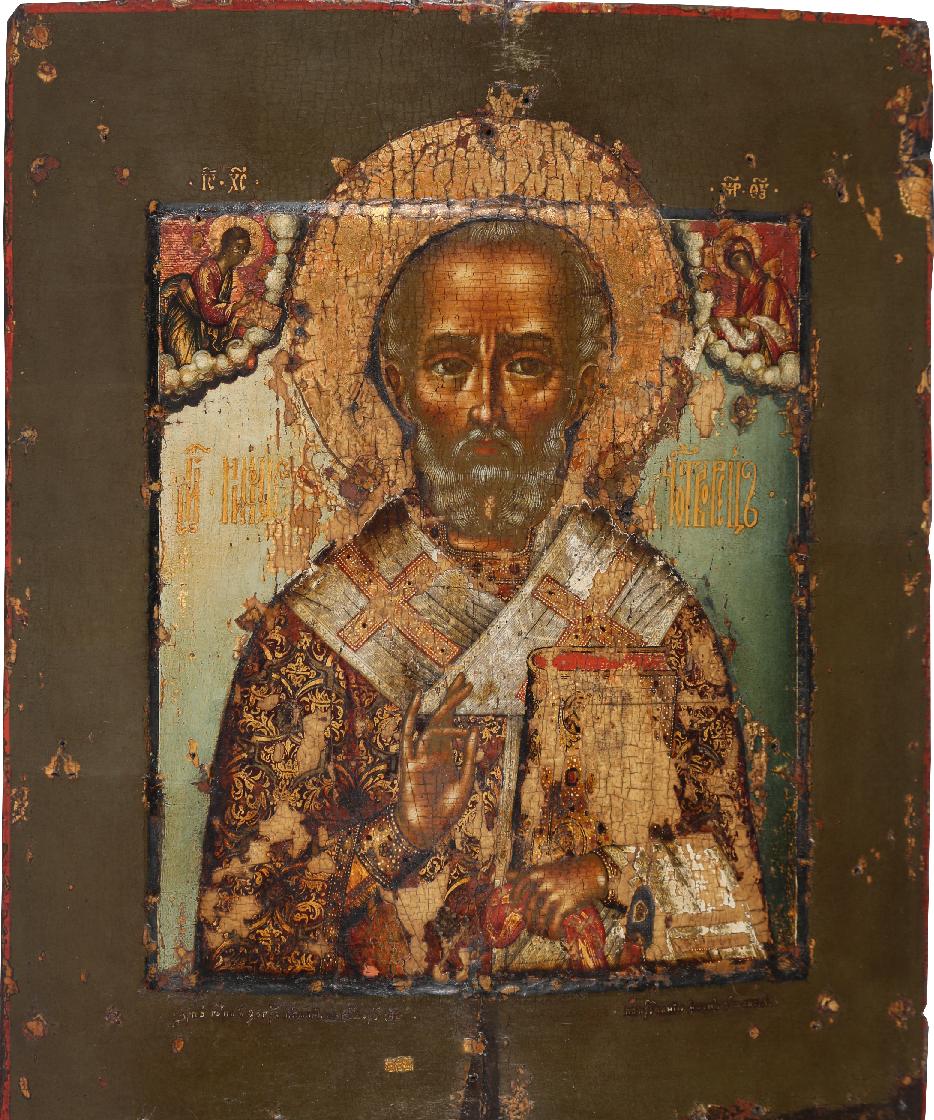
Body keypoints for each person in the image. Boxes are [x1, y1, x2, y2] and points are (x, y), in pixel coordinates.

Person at [196, 218, 771, 981]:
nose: (486, 406)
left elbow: (744, 911)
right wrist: (401, 834)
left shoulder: (653, 618)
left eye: (527, 365)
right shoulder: (312, 635)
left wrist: (605, 873)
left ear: (584, 387)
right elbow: (238, 942)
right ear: (399, 386)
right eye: (450, 365)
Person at [161, 226, 253, 366]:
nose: (242, 254)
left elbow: (216, 310)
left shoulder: (227, 273)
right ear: (226, 246)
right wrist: (239, 305)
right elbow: (210, 313)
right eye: (238, 247)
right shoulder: (207, 270)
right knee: (187, 369)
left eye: (246, 250)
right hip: (184, 326)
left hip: (199, 327)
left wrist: (236, 322)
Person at [718, 236, 797, 364]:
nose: (735, 265)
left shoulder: (768, 284)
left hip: (775, 346)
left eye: (738, 259)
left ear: (749, 258)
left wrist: (746, 324)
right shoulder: (743, 289)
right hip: (753, 343)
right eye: (732, 262)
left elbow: (769, 326)